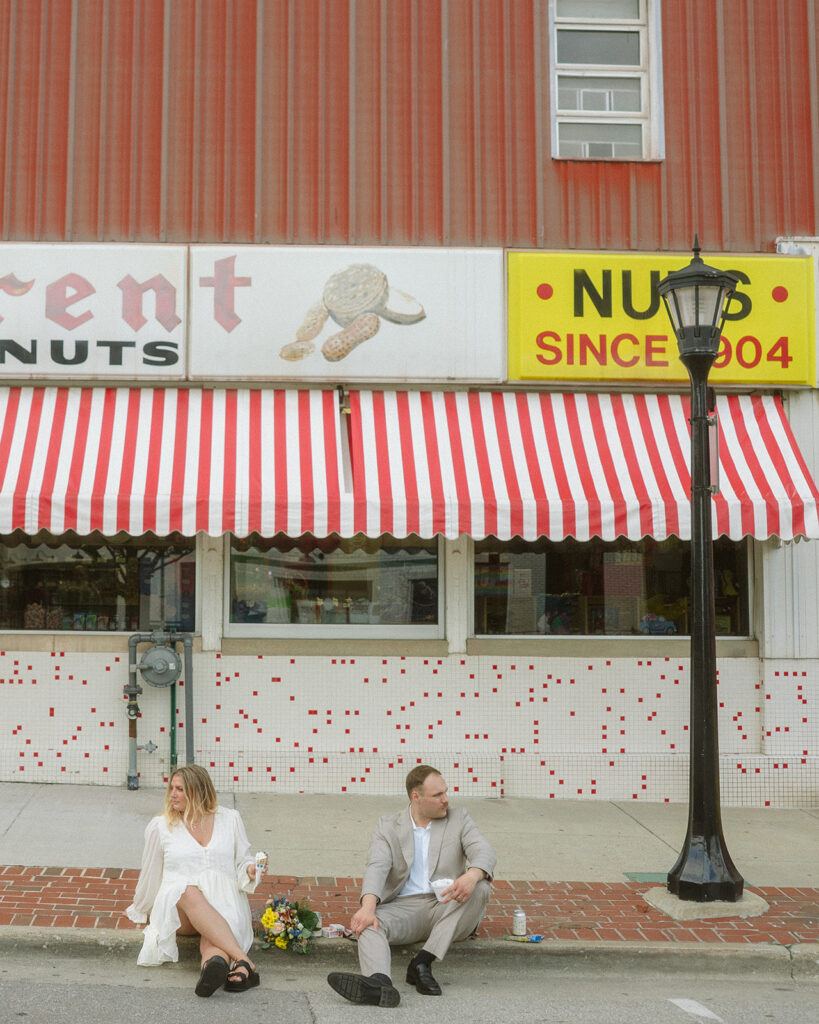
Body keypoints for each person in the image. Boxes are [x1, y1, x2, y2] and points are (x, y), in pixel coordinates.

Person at [327, 764, 496, 1007]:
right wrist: (367, 906)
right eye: (438, 795)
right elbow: (377, 865)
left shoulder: (459, 819)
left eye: (446, 792)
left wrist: (472, 875)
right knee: (369, 924)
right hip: (405, 909)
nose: (445, 800)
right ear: (416, 797)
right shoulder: (388, 826)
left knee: (481, 887)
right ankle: (379, 983)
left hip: (448, 906)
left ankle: (421, 963)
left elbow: (484, 851)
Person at [125, 764, 266, 997]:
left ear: (198, 791)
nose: (173, 795)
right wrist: (140, 907)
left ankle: (214, 967)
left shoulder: (230, 819)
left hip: (223, 902)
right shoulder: (161, 826)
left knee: (213, 942)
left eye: (180, 789)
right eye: (172, 788)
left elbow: (242, 861)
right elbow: (150, 873)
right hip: (181, 911)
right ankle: (244, 960)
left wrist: (249, 870)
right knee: (186, 889)